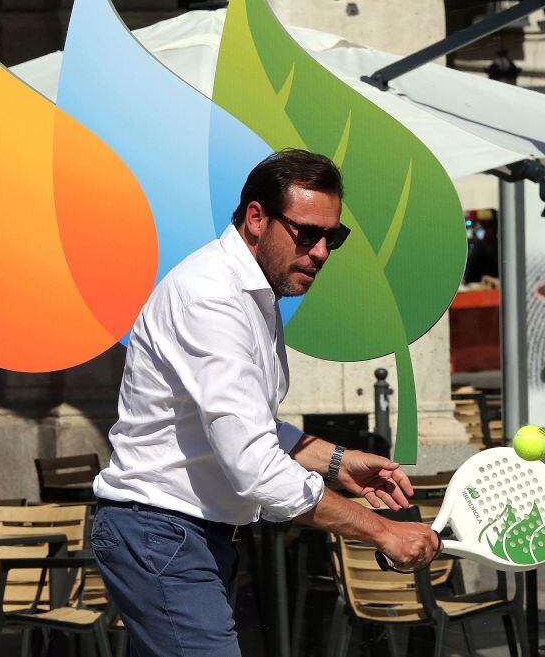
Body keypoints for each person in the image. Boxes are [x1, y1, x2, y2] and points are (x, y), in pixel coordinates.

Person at [92, 149, 441, 656]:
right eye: (307, 233)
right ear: (256, 218)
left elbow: (250, 426)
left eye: (333, 237)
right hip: (161, 532)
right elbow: (255, 467)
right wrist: (383, 531)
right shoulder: (213, 297)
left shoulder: (252, 292)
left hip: (178, 534)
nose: (321, 252)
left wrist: (336, 461)